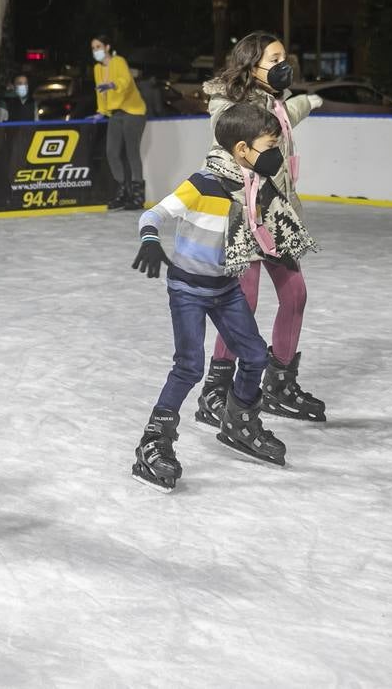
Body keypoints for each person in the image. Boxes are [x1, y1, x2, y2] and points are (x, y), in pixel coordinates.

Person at [129, 103, 320, 490]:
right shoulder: (202, 184)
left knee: (252, 356)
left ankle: (239, 421)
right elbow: (153, 216)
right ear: (242, 150)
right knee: (189, 366)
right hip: (188, 290)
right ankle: (154, 441)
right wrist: (151, 241)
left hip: (226, 287)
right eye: (269, 145)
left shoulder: (255, 186)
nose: (276, 154)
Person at [198, 32, 327, 425]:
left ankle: (279, 382)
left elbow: (282, 118)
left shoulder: (275, 102)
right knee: (244, 303)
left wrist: (302, 102)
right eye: (274, 59)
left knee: (296, 296)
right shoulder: (228, 104)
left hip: (278, 213)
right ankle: (217, 390)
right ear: (252, 65)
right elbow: (232, 127)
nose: (283, 65)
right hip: (244, 213)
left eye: (284, 58)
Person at [90, 35, 148, 211]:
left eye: (98, 46)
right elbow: (100, 92)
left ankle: (137, 196)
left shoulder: (119, 61)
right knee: (112, 152)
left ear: (107, 47)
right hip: (114, 114)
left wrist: (112, 85)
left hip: (133, 112)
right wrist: (101, 111)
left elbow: (126, 82)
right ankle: (123, 191)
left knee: (132, 152)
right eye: (93, 48)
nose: (95, 51)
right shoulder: (97, 69)